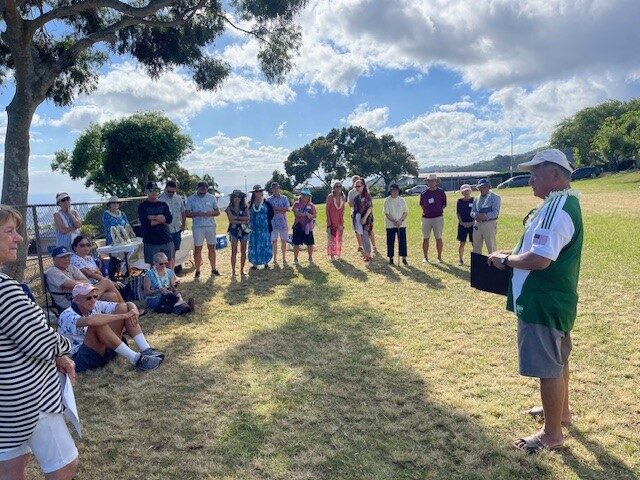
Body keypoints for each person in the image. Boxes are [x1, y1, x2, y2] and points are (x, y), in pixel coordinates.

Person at [487, 149, 583, 453]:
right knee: (558, 361)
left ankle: (551, 434)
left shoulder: (558, 207)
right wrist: (510, 253)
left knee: (548, 367)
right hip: (553, 298)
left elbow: (540, 259)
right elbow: (537, 246)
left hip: (543, 301)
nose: (530, 180)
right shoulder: (558, 203)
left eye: (534, 173)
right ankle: (561, 413)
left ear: (555, 175)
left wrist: (506, 263)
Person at [0, 205, 78, 480]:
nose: (19, 238)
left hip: (5, 403)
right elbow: (41, 342)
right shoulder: (5, 290)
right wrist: (65, 348)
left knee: (9, 468)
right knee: (63, 465)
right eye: (9, 231)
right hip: (28, 397)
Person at [58, 283, 164, 373]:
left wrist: (133, 308)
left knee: (123, 308)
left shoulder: (93, 305)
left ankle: (146, 350)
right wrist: (124, 315)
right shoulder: (66, 315)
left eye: (95, 296)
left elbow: (123, 306)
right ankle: (136, 360)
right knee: (98, 322)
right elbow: (90, 321)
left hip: (102, 350)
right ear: (77, 300)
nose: (93, 300)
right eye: (88, 298)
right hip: (80, 359)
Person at [45, 246, 124, 309]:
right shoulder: (52, 272)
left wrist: (76, 283)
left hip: (84, 295)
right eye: (63, 257)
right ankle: (125, 309)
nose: (66, 259)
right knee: (106, 282)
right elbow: (74, 285)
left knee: (111, 296)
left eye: (68, 257)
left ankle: (120, 318)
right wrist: (76, 283)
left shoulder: (71, 267)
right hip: (70, 301)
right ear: (54, 259)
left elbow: (86, 282)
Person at [186, 181, 220, 278]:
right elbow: (187, 213)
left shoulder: (211, 197)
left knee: (212, 248)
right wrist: (197, 213)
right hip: (197, 227)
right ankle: (197, 270)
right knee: (198, 249)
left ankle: (213, 269)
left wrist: (211, 213)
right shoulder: (191, 199)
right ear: (197, 188)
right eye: (201, 188)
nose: (203, 190)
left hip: (210, 226)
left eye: (205, 188)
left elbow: (217, 212)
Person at [137, 181, 175, 267]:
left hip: (166, 239)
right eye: (151, 190)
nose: (154, 192)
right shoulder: (142, 206)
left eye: (156, 190)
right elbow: (145, 223)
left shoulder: (163, 205)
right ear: (146, 192)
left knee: (169, 263)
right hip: (151, 241)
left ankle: (170, 280)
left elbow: (169, 219)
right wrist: (160, 219)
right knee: (154, 266)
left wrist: (153, 218)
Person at [158, 181, 186, 269]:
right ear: (165, 189)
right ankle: (167, 273)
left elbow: (183, 212)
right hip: (165, 230)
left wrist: (183, 224)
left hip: (176, 229)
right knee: (167, 254)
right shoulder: (160, 199)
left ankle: (171, 273)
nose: (170, 193)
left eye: (172, 192)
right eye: (169, 191)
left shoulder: (178, 198)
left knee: (173, 253)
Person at [419, 173, 447, 263]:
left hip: (438, 218)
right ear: (427, 182)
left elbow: (444, 204)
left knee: (438, 237)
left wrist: (437, 210)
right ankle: (425, 257)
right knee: (425, 238)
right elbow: (422, 205)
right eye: (429, 181)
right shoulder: (424, 193)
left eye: (433, 181)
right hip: (426, 218)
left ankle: (439, 257)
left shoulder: (441, 192)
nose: (431, 183)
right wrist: (429, 211)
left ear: (436, 182)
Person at [471, 178, 501, 255]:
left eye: (484, 187)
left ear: (488, 187)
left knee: (491, 246)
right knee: (476, 245)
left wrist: (484, 216)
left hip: (489, 223)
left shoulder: (495, 197)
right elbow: (472, 212)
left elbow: (495, 212)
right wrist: (476, 215)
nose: (482, 189)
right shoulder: (476, 199)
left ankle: (493, 265)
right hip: (477, 224)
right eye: (480, 187)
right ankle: (477, 265)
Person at [247, 185, 274, 269]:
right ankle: (255, 263)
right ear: (254, 193)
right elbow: (247, 215)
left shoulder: (267, 203)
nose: (258, 193)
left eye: (260, 191)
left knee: (265, 244)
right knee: (254, 245)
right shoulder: (250, 204)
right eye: (256, 192)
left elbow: (271, 214)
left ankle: (266, 262)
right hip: (254, 229)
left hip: (264, 229)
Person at [226, 189, 250, 276]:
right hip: (234, 231)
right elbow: (231, 220)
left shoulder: (245, 207)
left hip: (244, 231)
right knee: (234, 251)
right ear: (232, 198)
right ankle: (233, 271)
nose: (237, 198)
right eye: (235, 197)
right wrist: (241, 220)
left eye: (239, 197)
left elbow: (247, 218)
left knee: (243, 251)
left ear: (241, 198)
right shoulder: (229, 208)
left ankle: (242, 270)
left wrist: (237, 219)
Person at [383, 183, 408, 265]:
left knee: (402, 241)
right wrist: (394, 221)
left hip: (401, 224)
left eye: (396, 190)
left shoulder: (402, 200)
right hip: (390, 224)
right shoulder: (387, 200)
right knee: (390, 241)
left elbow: (405, 212)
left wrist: (400, 221)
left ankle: (404, 258)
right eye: (393, 191)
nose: (394, 192)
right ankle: (391, 258)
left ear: (398, 191)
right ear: (390, 192)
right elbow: (386, 213)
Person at [266, 182, 291, 264]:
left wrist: (276, 209)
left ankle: (284, 258)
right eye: (274, 188)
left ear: (279, 188)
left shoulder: (284, 198)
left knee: (283, 241)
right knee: (274, 241)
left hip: (282, 222)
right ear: (272, 189)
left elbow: (287, 209)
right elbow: (268, 211)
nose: (275, 190)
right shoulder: (268, 199)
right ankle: (275, 259)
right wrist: (280, 209)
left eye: (277, 188)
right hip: (272, 223)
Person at [292, 188, 317, 264]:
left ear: (309, 196)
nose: (305, 197)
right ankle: (295, 259)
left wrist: (311, 216)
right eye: (304, 195)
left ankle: (310, 258)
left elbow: (315, 215)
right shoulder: (296, 204)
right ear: (301, 195)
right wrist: (305, 214)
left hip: (308, 227)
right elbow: (296, 213)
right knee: (296, 243)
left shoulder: (311, 205)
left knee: (310, 243)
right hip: (298, 226)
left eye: (307, 195)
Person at [353, 180, 374, 262]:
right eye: (356, 186)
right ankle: (366, 253)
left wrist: (365, 218)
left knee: (365, 235)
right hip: (359, 219)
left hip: (367, 218)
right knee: (362, 236)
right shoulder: (356, 198)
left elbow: (370, 207)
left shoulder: (367, 196)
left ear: (363, 186)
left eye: (359, 186)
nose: (357, 188)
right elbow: (355, 210)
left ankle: (368, 254)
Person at [326, 181, 346, 261]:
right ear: (333, 188)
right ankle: (332, 255)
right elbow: (327, 210)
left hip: (339, 220)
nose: (338, 188)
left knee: (339, 238)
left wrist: (342, 221)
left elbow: (343, 209)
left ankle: (338, 254)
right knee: (332, 238)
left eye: (340, 186)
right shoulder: (330, 197)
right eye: (336, 186)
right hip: (331, 220)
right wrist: (328, 221)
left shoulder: (343, 197)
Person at [456, 184, 475, 265]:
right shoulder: (459, 201)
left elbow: (477, 212)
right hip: (462, 225)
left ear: (470, 191)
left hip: (473, 224)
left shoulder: (475, 200)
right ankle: (460, 260)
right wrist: (462, 222)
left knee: (474, 243)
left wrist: (473, 222)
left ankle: (475, 260)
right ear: (461, 192)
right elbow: (458, 213)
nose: (466, 192)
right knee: (462, 243)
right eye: (464, 191)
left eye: (467, 190)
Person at [347, 175, 364, 252]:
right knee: (357, 230)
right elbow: (350, 204)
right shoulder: (351, 192)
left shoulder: (364, 191)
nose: (356, 184)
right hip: (354, 212)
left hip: (363, 213)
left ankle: (371, 245)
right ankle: (360, 245)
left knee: (366, 230)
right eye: (354, 182)